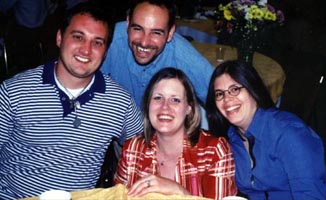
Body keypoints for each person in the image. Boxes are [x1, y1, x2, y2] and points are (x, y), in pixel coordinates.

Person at [0, 3, 143, 199]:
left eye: (97, 42)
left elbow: (147, 149)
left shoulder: (119, 101)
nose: (86, 50)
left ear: (106, 51)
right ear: (59, 38)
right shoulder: (14, 92)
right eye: (78, 37)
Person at [206, 60, 326, 200]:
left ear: (252, 89)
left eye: (235, 89)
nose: (227, 99)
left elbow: (310, 195)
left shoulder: (288, 133)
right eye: (219, 94)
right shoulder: (231, 138)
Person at [114, 68, 237, 200]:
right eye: (158, 98)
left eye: (175, 100)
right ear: (147, 105)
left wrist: (179, 191)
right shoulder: (133, 149)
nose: (165, 107)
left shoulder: (214, 151)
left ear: (189, 108)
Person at [100, 0, 214, 109]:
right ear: (127, 23)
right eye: (137, 29)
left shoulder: (186, 60)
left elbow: (222, 99)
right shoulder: (106, 41)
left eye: (156, 33)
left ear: (170, 33)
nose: (144, 42)